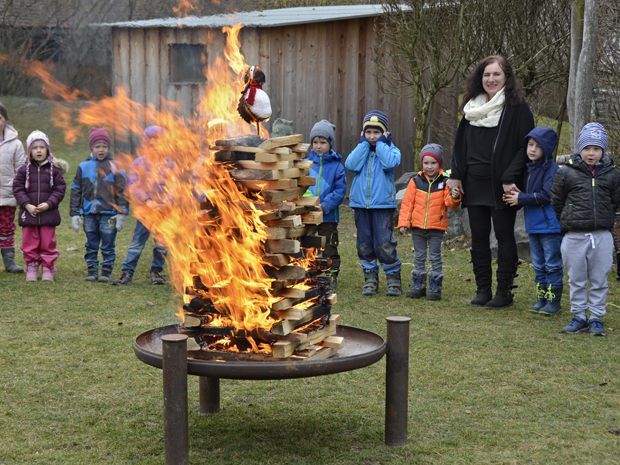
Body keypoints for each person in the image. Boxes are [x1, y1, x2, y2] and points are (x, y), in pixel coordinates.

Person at [447, 55, 534, 308]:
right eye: (487, 74)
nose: (491, 79)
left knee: (505, 237)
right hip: (474, 182)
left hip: (503, 185)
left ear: (507, 77)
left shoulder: (518, 108)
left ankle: (504, 292)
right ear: (480, 78)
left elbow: (524, 147)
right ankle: (482, 289)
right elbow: (460, 145)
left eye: (496, 74)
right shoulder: (471, 108)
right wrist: (456, 175)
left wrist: (510, 178)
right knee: (479, 237)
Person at [551, 122, 620, 336]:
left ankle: (596, 317)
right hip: (574, 235)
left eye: (596, 149)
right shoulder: (566, 172)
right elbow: (557, 200)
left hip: (601, 235)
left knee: (600, 278)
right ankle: (579, 315)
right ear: (580, 149)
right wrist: (569, 219)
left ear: (603, 151)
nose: (591, 153)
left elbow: (615, 201)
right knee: (576, 278)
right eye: (587, 148)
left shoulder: (612, 174)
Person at [503, 127, 563, 315]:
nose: (533, 149)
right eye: (530, 145)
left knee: (552, 264)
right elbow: (526, 195)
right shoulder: (529, 169)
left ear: (547, 148)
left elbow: (545, 195)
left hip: (550, 226)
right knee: (538, 265)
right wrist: (516, 197)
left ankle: (553, 301)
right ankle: (541, 298)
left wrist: (521, 198)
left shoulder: (552, 169)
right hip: (533, 226)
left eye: (538, 146)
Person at [345, 110, 402, 296]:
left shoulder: (390, 150)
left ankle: (393, 278)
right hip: (361, 205)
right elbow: (351, 165)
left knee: (384, 243)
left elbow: (389, 163)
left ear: (384, 133)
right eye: (368, 132)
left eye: (376, 132)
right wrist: (363, 145)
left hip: (382, 205)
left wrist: (381, 145)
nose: (372, 137)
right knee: (364, 243)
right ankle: (370, 277)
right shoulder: (361, 150)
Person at [397, 144, 461, 300]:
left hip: (436, 227)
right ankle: (418, 285)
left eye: (433, 163)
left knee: (435, 256)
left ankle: (435, 286)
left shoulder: (445, 182)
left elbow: (450, 204)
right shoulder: (415, 181)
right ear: (421, 163)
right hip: (417, 226)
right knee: (419, 256)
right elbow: (407, 203)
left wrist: (454, 195)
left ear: (439, 164)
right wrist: (404, 223)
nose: (429, 166)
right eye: (426, 163)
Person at [70, 127, 128, 282]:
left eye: (104, 146)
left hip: (109, 214)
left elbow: (123, 191)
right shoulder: (83, 166)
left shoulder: (116, 166)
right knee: (91, 243)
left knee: (108, 244)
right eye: (97, 146)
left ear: (108, 148)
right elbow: (76, 189)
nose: (101, 150)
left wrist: (122, 213)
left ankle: (106, 271)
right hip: (89, 213)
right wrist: (75, 213)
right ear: (91, 148)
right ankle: (92, 270)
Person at [113, 126, 167, 285]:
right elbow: (133, 185)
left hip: (164, 212)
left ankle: (156, 271)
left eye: (158, 140)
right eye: (151, 140)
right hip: (145, 212)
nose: (155, 144)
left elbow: (175, 186)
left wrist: (165, 202)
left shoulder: (169, 164)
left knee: (162, 244)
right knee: (137, 243)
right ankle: (127, 272)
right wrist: (147, 200)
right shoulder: (139, 163)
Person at [12, 131, 67, 281]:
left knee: (48, 242)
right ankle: (31, 266)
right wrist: (27, 205)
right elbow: (17, 188)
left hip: (48, 214)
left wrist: (48, 204)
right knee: (29, 242)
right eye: (34, 147)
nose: (38, 150)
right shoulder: (23, 170)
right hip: (29, 213)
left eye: (42, 147)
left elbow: (60, 189)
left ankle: (48, 267)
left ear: (47, 149)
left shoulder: (54, 170)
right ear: (29, 151)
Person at [305, 119, 346, 289]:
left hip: (328, 216)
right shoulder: (306, 164)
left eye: (323, 142)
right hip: (309, 215)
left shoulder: (337, 167)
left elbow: (339, 191)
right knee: (309, 244)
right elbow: (302, 185)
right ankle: (312, 274)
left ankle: (330, 275)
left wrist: (325, 205)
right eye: (315, 142)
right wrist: (308, 203)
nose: (318, 146)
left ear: (330, 144)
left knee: (328, 246)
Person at [0, 102, 26, 272]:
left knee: (6, 228)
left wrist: (20, 191)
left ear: (5, 120)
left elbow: (22, 169)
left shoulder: (15, 144)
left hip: (7, 195)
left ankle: (9, 262)